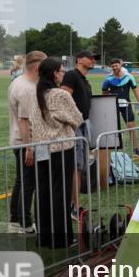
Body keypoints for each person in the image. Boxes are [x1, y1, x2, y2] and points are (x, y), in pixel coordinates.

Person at [30, 57, 83, 248]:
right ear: (54, 73)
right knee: (60, 193)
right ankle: (61, 238)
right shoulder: (60, 95)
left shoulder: (36, 94)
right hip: (60, 148)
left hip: (42, 148)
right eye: (61, 71)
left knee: (43, 192)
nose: (63, 74)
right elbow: (77, 119)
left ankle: (44, 237)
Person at [7, 50, 46, 234]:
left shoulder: (20, 82)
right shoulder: (26, 88)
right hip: (26, 142)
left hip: (21, 140)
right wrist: (29, 147)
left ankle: (16, 220)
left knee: (22, 182)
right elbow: (24, 120)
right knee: (29, 184)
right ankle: (25, 223)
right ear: (38, 67)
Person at [61, 50, 98, 216]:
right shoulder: (71, 75)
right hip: (74, 127)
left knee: (80, 165)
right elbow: (64, 100)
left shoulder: (82, 79)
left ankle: (75, 204)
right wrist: (72, 123)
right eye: (90, 58)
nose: (93, 60)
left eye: (94, 58)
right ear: (79, 59)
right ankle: (73, 206)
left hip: (82, 125)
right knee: (76, 165)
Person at [102, 58, 139, 155]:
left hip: (126, 105)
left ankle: (136, 149)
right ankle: (112, 150)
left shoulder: (129, 77)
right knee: (112, 128)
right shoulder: (108, 79)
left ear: (120, 65)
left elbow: (136, 93)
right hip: (113, 106)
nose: (115, 67)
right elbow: (104, 93)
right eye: (113, 66)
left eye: (116, 65)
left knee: (131, 127)